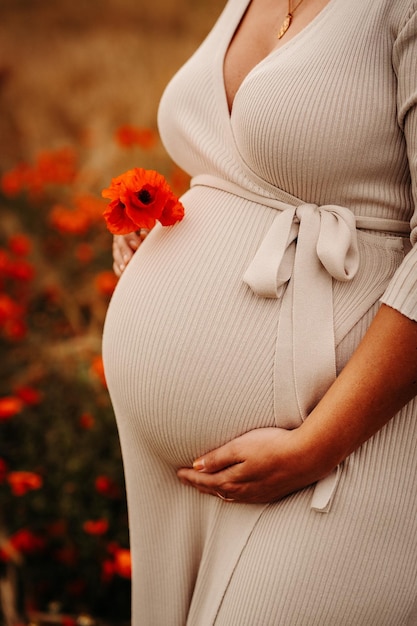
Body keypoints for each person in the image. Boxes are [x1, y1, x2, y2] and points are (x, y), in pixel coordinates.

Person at [102, 0, 417, 623]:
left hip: (341, 452)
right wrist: (162, 226)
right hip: (169, 471)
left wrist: (319, 445)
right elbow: (250, 165)